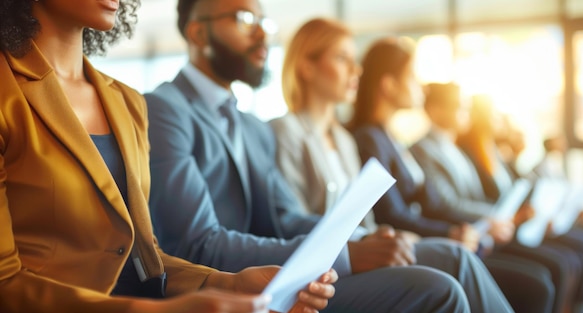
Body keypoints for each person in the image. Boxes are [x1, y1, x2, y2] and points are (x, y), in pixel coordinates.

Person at [144, 0, 487, 312]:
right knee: (437, 288)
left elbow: (286, 218)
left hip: (284, 268)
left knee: (453, 257)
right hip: (236, 286)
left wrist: (358, 239)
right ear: (198, 32)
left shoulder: (253, 127)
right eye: (245, 19)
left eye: (265, 21)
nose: (262, 32)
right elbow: (197, 245)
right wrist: (346, 256)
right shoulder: (163, 109)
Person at [0, 0, 337, 312]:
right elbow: (5, 281)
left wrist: (227, 283)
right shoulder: (6, 93)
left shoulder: (127, 102)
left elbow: (145, 258)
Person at [270, 19, 517, 312]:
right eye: (341, 58)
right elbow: (289, 221)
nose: (355, 70)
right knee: (453, 270)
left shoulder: (344, 139)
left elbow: (366, 216)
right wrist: (369, 240)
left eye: (355, 60)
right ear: (306, 67)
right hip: (327, 268)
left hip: (363, 247)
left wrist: (383, 235)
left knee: (458, 258)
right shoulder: (284, 133)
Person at [346, 36, 559, 313]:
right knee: (535, 285)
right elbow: (391, 214)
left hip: (434, 237)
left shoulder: (392, 138)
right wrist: (449, 233)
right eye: (412, 76)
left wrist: (463, 229)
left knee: (540, 278)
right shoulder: (369, 139)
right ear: (389, 85)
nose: (419, 86)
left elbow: (431, 201)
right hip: (410, 245)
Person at [411, 82, 583, 313]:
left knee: (574, 256)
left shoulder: (456, 149)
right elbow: (444, 203)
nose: (464, 112)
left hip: (494, 228)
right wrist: (493, 217)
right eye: (459, 106)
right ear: (436, 110)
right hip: (475, 235)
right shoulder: (427, 149)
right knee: (550, 274)